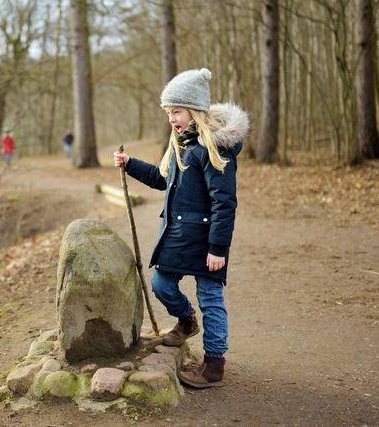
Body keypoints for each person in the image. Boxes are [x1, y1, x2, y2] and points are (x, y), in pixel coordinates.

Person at [113, 68, 249, 388]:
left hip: (206, 242)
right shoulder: (179, 144)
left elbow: (224, 203)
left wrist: (217, 248)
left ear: (195, 111)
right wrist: (131, 164)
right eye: (168, 112)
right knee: (161, 284)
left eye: (177, 111)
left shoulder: (214, 150)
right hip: (178, 235)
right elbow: (163, 180)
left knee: (211, 298)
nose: (171, 118)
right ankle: (186, 321)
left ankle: (214, 364)